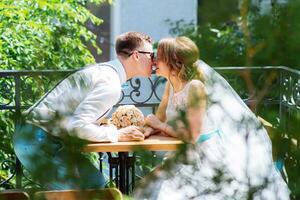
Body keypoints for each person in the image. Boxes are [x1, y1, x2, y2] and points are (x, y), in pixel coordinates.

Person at [135, 36, 290, 199]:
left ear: (173, 62)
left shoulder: (195, 87)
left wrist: (158, 125)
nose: (153, 60)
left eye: (159, 57)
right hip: (183, 152)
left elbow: (192, 135)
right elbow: (158, 117)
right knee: (147, 185)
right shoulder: (170, 84)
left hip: (204, 155)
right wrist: (146, 131)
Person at [13, 31, 154, 190]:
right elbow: (77, 126)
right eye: (151, 55)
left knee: (94, 183)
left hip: (38, 136)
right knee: (87, 189)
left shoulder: (107, 73)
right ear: (136, 55)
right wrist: (118, 134)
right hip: (36, 141)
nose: (154, 61)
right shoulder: (110, 84)